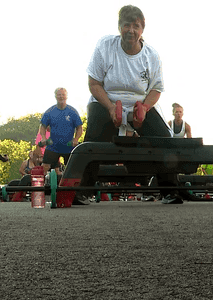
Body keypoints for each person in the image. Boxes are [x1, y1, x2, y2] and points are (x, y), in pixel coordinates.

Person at [84, 5, 182, 204]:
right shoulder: (105, 45)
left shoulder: (151, 55)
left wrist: (145, 108)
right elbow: (94, 83)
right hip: (106, 100)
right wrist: (111, 108)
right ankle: (81, 190)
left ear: (142, 29)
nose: (131, 30)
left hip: (140, 104)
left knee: (164, 138)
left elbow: (156, 89)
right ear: (119, 27)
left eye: (135, 26)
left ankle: (170, 190)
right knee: (92, 141)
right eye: (126, 25)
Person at [38, 88, 84, 175]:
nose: (61, 97)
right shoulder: (50, 111)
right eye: (59, 95)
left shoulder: (72, 111)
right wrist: (43, 138)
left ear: (66, 96)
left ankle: (73, 187)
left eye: (63, 95)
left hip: (69, 145)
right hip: (53, 145)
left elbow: (79, 128)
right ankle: (41, 187)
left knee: (73, 168)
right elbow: (43, 127)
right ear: (55, 96)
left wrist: (76, 139)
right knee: (45, 167)